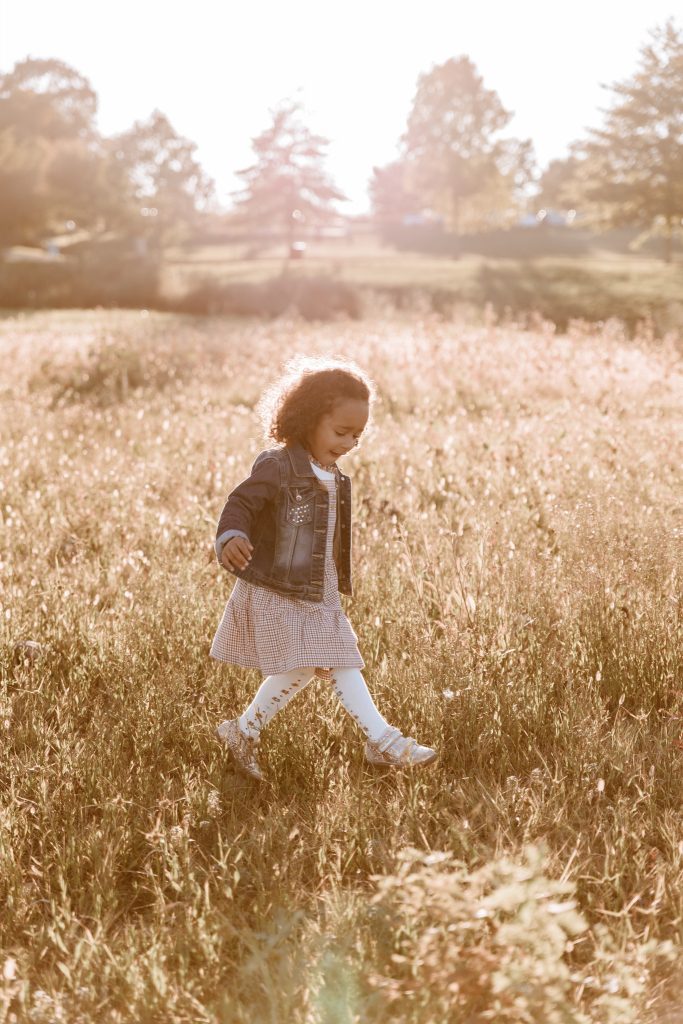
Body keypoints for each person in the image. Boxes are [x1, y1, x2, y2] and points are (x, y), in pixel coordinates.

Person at [210, 355, 438, 780]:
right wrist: (230, 536)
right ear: (307, 419)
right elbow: (240, 502)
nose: (350, 442)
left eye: (358, 434)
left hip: (319, 589)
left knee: (304, 665)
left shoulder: (331, 471)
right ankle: (383, 740)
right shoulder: (278, 465)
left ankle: (242, 732)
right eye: (341, 431)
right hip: (281, 585)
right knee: (338, 659)